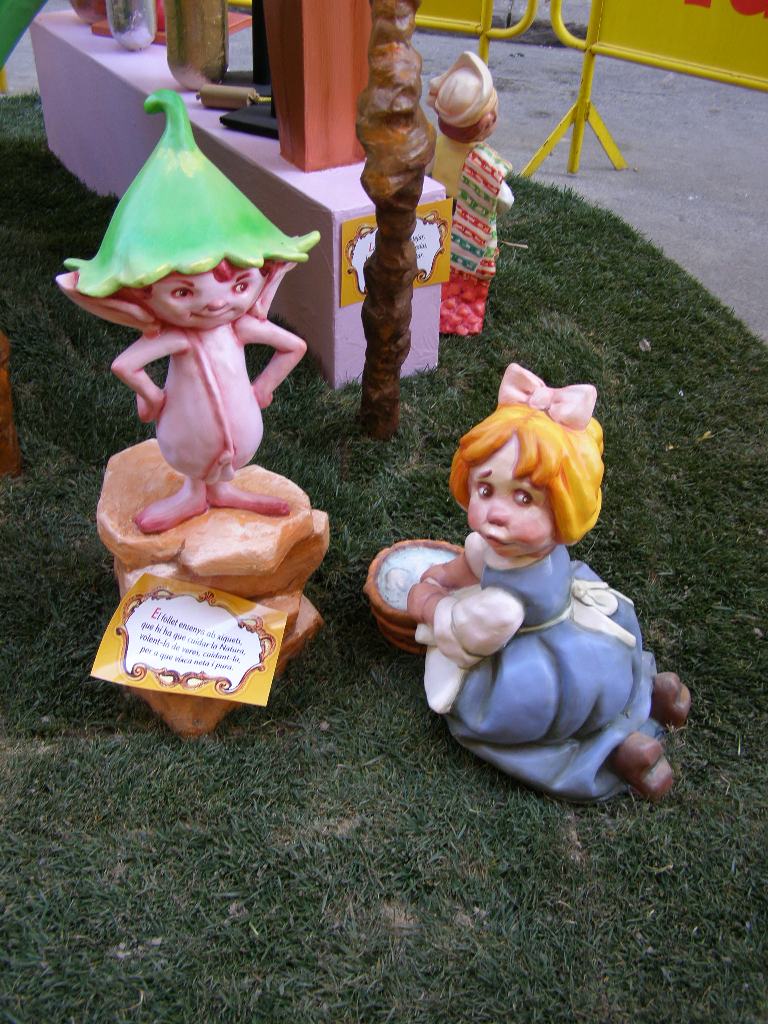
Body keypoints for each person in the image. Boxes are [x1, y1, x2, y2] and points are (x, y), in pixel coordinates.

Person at [407, 363, 690, 801]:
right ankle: (650, 693)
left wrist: (426, 600)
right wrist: (447, 573)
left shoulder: (502, 608)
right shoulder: (520, 549)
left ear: (565, 510)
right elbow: (474, 560)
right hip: (582, 636)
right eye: (485, 490)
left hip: (542, 671)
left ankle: (616, 752)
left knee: (529, 718)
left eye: (524, 498)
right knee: (614, 680)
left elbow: (462, 633)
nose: (496, 513)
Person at [57, 89, 320, 533]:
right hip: (185, 435)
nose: (216, 302)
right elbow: (125, 365)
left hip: (243, 428)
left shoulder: (240, 328)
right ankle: (194, 492)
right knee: (196, 458)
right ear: (143, 293)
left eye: (240, 285)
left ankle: (221, 490)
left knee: (230, 457)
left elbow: (293, 347)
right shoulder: (176, 337)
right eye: (182, 292)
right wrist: (153, 398)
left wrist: (263, 389)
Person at [427, 51, 514, 336]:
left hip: (441, 215)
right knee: (467, 276)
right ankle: (460, 318)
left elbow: (427, 172)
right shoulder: (485, 163)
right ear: (488, 121)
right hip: (472, 226)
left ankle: (436, 308)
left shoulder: (438, 145)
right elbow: (504, 201)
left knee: (438, 264)